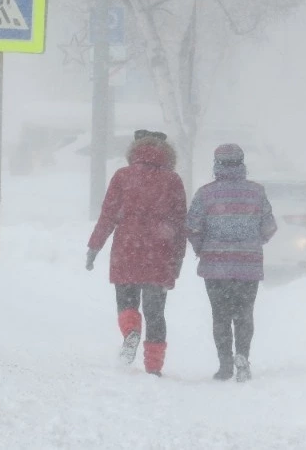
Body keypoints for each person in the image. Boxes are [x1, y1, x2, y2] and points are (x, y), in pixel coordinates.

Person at [86, 134, 187, 376]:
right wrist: (178, 258)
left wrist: (94, 246)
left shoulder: (123, 176)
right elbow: (180, 223)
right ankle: (153, 366)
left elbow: (108, 215)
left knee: (126, 302)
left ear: (134, 151)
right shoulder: (172, 180)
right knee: (155, 313)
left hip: (127, 249)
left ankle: (131, 332)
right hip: (160, 252)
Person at [186, 144, 277, 382]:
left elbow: (193, 228)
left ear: (216, 164)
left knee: (220, 315)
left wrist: (202, 248)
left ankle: (225, 365)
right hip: (248, 263)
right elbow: (269, 227)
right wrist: (255, 242)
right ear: (241, 162)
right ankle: (243, 357)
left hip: (215, 265)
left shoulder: (205, 194)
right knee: (245, 314)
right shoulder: (256, 192)